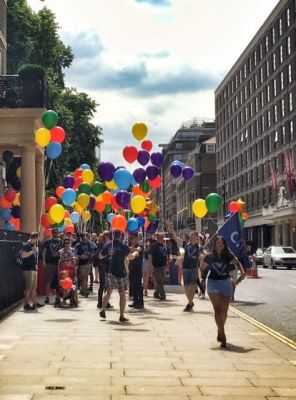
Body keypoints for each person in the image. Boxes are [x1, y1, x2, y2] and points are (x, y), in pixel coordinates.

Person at [199, 235, 246, 348]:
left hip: (226, 283)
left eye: (222, 243)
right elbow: (202, 268)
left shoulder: (228, 256)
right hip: (213, 283)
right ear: (215, 244)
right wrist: (202, 278)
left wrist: (241, 272)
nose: (220, 244)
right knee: (218, 309)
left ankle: (220, 330)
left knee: (224, 311)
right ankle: (223, 334)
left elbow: (237, 263)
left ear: (224, 245)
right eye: (218, 242)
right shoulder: (209, 257)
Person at [99, 230, 137, 322]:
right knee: (122, 294)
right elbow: (130, 257)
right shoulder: (123, 245)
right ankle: (121, 315)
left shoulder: (107, 245)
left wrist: (109, 255)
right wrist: (135, 253)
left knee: (108, 292)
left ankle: (103, 309)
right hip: (120, 272)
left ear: (112, 236)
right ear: (120, 236)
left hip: (109, 271)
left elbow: (100, 256)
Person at [20, 232, 44, 311]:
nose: (37, 241)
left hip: (33, 268)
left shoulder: (33, 245)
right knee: (28, 288)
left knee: (34, 288)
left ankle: (34, 303)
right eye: (37, 239)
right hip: (28, 269)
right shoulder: (26, 245)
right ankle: (26, 304)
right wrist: (32, 252)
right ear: (35, 238)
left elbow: (32, 258)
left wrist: (35, 265)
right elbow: (23, 255)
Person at [149, 232, 171, 300]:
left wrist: (170, 258)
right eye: (158, 237)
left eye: (161, 238)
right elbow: (150, 256)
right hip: (156, 266)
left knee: (162, 281)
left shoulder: (166, 246)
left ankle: (156, 293)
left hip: (163, 265)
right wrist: (151, 265)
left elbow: (169, 254)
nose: (160, 239)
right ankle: (163, 296)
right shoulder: (153, 246)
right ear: (157, 238)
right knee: (160, 281)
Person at [43, 228, 62, 304]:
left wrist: (58, 253)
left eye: (57, 232)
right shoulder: (47, 242)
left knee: (58, 281)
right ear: (52, 233)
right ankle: (47, 296)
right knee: (48, 280)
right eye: (55, 232)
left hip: (58, 263)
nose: (56, 234)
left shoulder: (61, 242)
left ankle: (57, 297)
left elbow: (63, 250)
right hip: (49, 263)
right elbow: (44, 252)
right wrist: (44, 261)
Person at [182, 231, 200, 312]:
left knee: (192, 287)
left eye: (193, 235)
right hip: (185, 268)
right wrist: (172, 231)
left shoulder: (198, 246)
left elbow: (201, 257)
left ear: (196, 237)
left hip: (193, 268)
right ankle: (190, 303)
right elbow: (178, 240)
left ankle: (189, 304)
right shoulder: (186, 245)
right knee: (186, 287)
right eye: (190, 235)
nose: (191, 236)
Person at [96, 231, 112, 309]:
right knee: (102, 284)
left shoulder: (107, 245)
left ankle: (105, 301)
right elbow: (100, 255)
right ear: (105, 237)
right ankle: (99, 302)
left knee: (107, 285)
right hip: (103, 265)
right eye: (109, 236)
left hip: (107, 265)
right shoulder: (102, 245)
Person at [128, 233, 144, 309]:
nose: (131, 240)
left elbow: (138, 250)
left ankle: (140, 302)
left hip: (137, 269)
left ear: (137, 238)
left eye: (133, 238)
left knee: (138, 286)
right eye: (130, 238)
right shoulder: (131, 247)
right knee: (133, 286)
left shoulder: (140, 245)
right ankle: (135, 301)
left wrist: (130, 249)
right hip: (131, 268)